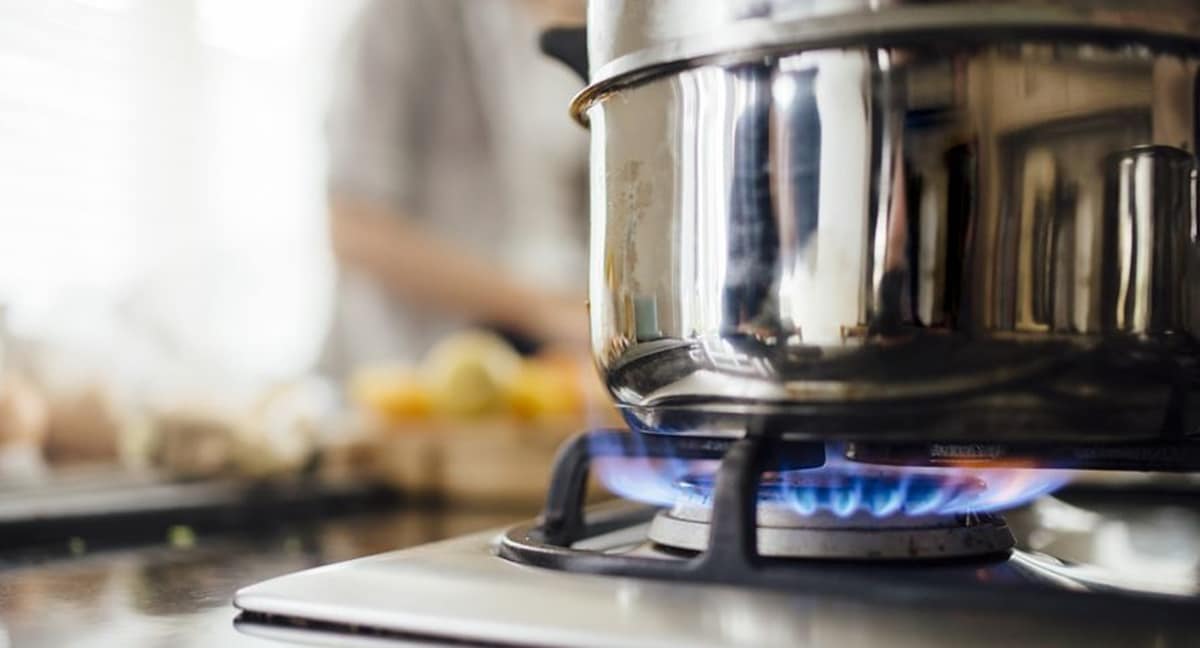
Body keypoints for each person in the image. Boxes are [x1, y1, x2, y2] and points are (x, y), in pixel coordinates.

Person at [319, 0, 589, 378]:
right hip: (415, 367)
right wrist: (546, 311)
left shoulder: (608, 19)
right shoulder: (403, 16)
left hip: (555, 364)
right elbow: (354, 226)